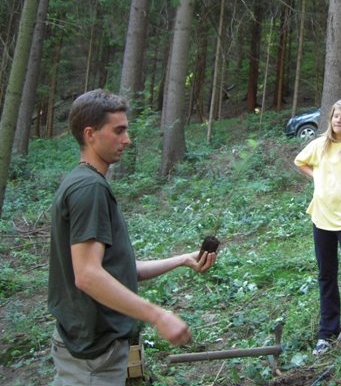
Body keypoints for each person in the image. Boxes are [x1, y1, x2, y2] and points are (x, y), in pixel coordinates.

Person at [48, 89, 216, 385]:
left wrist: (182, 260)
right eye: (118, 131)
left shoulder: (84, 182)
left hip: (92, 352)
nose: (127, 140)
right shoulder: (89, 189)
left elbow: (117, 271)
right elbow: (88, 276)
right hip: (91, 361)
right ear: (90, 134)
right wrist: (158, 315)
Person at [294, 100, 341, 356]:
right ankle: (328, 331)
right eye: (336, 116)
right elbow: (300, 161)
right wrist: (316, 176)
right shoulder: (319, 144)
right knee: (326, 274)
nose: (339, 120)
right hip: (321, 217)